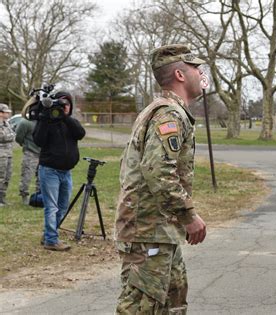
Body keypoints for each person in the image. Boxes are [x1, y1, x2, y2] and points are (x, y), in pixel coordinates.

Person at [114, 44, 207, 314]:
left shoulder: (169, 111)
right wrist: (188, 216)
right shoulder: (169, 114)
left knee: (172, 303)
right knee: (141, 307)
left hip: (161, 230)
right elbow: (159, 172)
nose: (201, 73)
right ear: (180, 74)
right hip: (147, 232)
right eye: (195, 68)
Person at [33, 91, 85, 251]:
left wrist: (65, 117)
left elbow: (80, 133)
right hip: (50, 171)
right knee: (52, 207)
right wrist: (44, 117)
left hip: (66, 172)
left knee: (62, 207)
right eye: (62, 104)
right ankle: (51, 240)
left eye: (68, 104)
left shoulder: (70, 122)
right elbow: (38, 140)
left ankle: (49, 234)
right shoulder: (47, 121)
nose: (65, 107)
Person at [15, 117, 41, 205]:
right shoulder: (25, 122)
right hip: (30, 153)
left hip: (43, 154)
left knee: (42, 175)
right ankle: (24, 195)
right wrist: (27, 145)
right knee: (27, 175)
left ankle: (39, 194)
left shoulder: (44, 121)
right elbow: (18, 137)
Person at [0, 103, 15, 206]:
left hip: (8, 153)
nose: (8, 114)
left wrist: (11, 135)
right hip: (1, 155)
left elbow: (13, 135)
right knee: (0, 176)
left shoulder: (7, 123)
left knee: (7, 176)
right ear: (0, 113)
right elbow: (3, 137)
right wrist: (11, 136)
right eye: (6, 112)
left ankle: (2, 197)